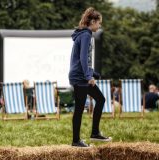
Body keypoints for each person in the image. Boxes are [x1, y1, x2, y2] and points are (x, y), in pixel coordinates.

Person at [68, 7, 112, 147]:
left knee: (100, 99)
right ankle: (76, 141)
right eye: (99, 23)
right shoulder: (86, 35)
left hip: (81, 75)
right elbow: (82, 58)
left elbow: (83, 60)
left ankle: (95, 133)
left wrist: (93, 73)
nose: (99, 26)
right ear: (92, 21)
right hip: (80, 78)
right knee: (80, 109)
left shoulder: (83, 34)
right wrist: (88, 77)